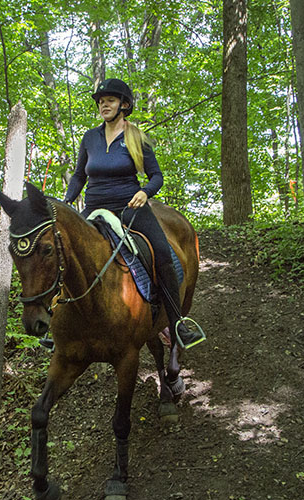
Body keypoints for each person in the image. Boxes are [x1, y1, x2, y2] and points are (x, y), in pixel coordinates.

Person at [63, 77, 205, 350]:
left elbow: (156, 176)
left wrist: (145, 192)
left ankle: (176, 322)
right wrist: (68, 200)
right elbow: (80, 175)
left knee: (162, 252)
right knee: (63, 251)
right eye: (101, 101)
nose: (104, 104)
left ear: (124, 105)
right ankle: (58, 321)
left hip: (129, 206)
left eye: (110, 100)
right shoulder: (90, 138)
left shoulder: (135, 136)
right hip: (93, 208)